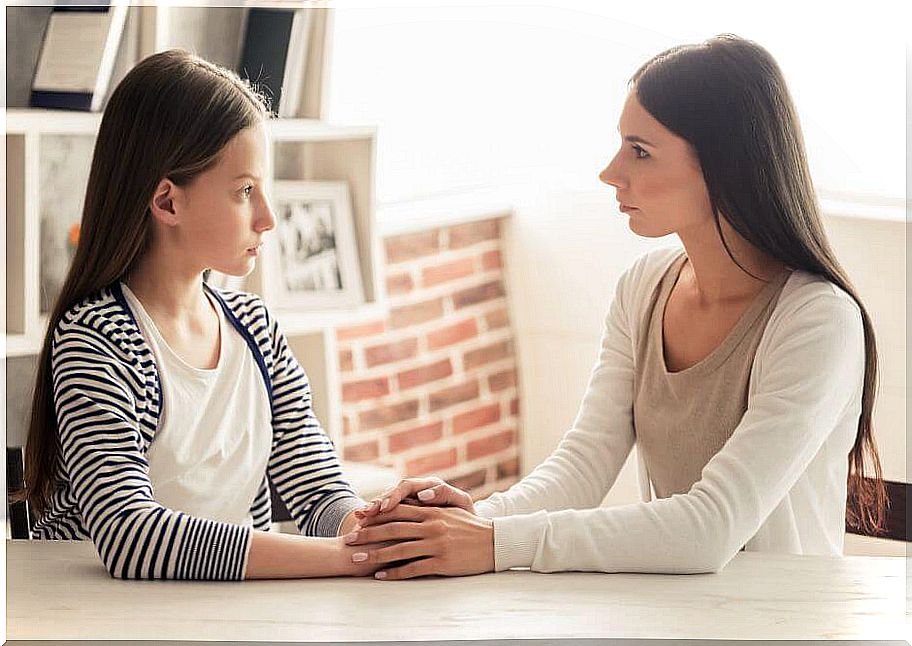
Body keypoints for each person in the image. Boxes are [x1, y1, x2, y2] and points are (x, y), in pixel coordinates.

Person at [345, 34, 889, 580]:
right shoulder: (644, 286)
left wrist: (494, 541)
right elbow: (584, 464)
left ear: (725, 165)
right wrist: (470, 519)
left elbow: (710, 529)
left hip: (782, 627)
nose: (611, 172)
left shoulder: (818, 320)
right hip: (674, 615)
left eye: (641, 151)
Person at [19, 50, 391, 580]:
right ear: (168, 203)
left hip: (229, 617)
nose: (267, 219)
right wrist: (349, 557)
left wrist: (372, 529)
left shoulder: (255, 328)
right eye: (245, 191)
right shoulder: (98, 340)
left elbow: (316, 488)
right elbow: (130, 536)